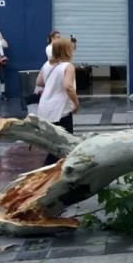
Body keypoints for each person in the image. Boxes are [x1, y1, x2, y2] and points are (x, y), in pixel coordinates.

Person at [37, 36, 79, 166]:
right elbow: (68, 86)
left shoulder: (47, 64)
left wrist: (52, 85)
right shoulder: (68, 66)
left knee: (54, 143)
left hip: (45, 107)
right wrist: (76, 103)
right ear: (66, 50)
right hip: (61, 109)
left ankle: (50, 170)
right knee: (64, 143)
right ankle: (49, 173)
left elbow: (39, 82)